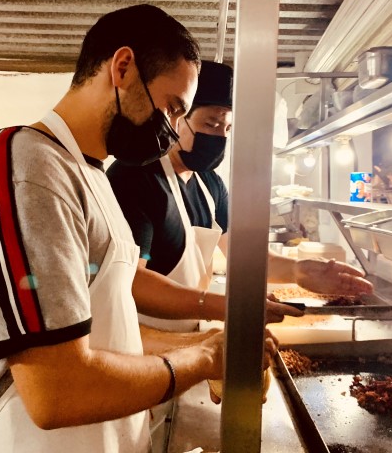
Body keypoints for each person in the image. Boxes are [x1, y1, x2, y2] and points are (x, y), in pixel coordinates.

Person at [0, 4, 277, 453]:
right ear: (124, 67)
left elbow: (116, 300)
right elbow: (57, 391)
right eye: (172, 108)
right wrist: (202, 358)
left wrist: (216, 326)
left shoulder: (88, 172)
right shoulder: (25, 170)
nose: (173, 130)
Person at [107, 60, 374, 333]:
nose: (219, 136)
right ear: (177, 118)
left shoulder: (209, 184)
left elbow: (242, 256)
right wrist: (226, 307)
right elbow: (132, 282)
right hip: (142, 341)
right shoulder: (135, 178)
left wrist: (299, 271)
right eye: (211, 123)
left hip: (191, 333)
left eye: (227, 128)